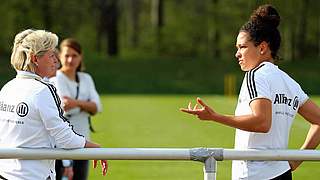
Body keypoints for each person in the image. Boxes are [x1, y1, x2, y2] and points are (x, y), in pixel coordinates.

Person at [180, 4, 320, 180]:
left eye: (242, 47)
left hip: (254, 174)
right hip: (281, 173)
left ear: (262, 48)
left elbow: (262, 122)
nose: (237, 54)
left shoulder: (255, 75)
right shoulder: (289, 82)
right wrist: (298, 159)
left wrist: (215, 117)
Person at [0, 29, 108, 180]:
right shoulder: (42, 90)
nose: (56, 61)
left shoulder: (8, 88)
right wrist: (95, 148)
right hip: (33, 176)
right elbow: (64, 137)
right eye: (51, 56)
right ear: (34, 58)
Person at [50, 38, 102, 180]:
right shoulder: (55, 78)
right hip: (60, 145)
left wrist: (76, 103)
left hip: (84, 142)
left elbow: (97, 107)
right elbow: (66, 108)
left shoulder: (86, 78)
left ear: (81, 57)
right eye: (67, 55)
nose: (70, 60)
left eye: (74, 55)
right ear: (60, 56)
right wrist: (86, 105)